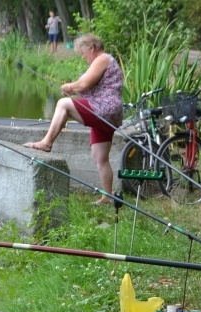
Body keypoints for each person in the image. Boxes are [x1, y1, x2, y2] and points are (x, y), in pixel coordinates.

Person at [23, 34, 123, 205]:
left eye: (83, 53)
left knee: (63, 104)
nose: (83, 57)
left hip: (103, 108)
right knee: (100, 157)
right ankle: (107, 196)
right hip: (111, 113)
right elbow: (86, 83)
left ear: (92, 47)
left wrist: (69, 87)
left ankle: (46, 143)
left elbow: (83, 85)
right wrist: (73, 88)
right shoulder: (104, 61)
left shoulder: (102, 58)